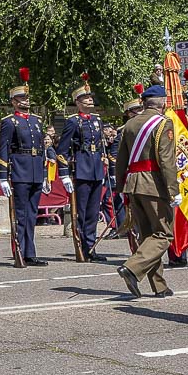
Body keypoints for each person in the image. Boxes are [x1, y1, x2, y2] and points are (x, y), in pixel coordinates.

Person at [113, 85, 178, 297]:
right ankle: (132, 268)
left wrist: (121, 187)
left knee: (148, 235)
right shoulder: (163, 123)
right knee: (163, 234)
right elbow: (166, 160)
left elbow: (121, 160)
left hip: (133, 184)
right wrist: (173, 190)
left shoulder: (130, 124)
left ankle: (159, 286)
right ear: (162, 102)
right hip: (154, 184)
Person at [0, 73, 48, 266]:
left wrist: (44, 175)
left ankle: (30, 252)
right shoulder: (10, 121)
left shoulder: (36, 120)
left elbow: (42, 148)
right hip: (20, 169)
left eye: (27, 97)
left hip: (34, 169)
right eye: (22, 98)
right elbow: (3, 150)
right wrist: (2, 177)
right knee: (21, 214)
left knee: (32, 213)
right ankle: (19, 250)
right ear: (14, 101)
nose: (26, 101)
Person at [54, 80, 107, 260]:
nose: (90, 100)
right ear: (77, 102)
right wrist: (64, 174)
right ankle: (82, 246)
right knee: (81, 212)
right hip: (82, 169)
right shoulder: (73, 122)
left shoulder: (97, 120)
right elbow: (62, 150)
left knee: (93, 211)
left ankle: (91, 247)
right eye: (85, 98)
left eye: (90, 97)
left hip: (96, 169)